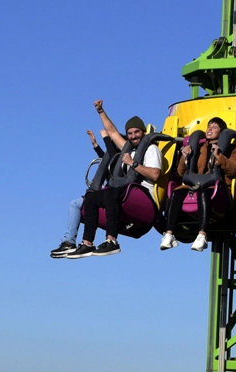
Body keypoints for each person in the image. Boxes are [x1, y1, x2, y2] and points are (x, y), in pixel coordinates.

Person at [67, 100, 162, 258]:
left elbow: (155, 175)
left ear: (143, 132)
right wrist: (100, 111)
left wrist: (133, 164)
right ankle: (87, 243)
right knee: (91, 197)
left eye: (136, 132)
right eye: (130, 133)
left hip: (145, 196)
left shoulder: (151, 149)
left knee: (111, 193)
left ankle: (112, 241)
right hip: (127, 192)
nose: (133, 136)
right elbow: (112, 132)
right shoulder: (128, 150)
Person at [160, 117, 236, 253]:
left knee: (204, 193)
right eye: (209, 126)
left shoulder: (231, 149)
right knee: (177, 193)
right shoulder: (199, 147)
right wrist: (184, 157)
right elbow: (180, 172)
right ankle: (169, 234)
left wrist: (220, 157)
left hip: (217, 188)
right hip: (194, 185)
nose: (210, 129)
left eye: (215, 127)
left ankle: (202, 235)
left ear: (221, 132)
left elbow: (234, 170)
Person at [50, 129, 108, 258]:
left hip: (115, 194)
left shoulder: (126, 157)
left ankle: (88, 241)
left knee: (91, 199)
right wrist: (95, 145)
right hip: (105, 191)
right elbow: (106, 159)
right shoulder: (114, 159)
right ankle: (69, 241)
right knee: (75, 203)